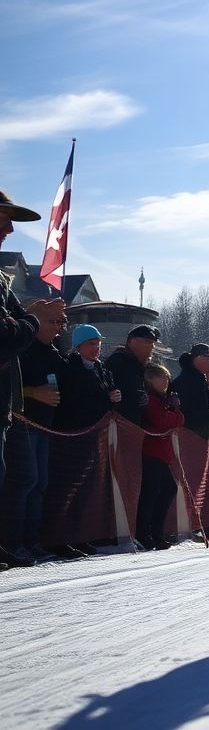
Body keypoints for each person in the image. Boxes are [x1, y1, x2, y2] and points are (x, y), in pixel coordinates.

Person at [0, 189, 66, 572]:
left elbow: (17, 327)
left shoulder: (2, 281)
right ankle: (13, 542)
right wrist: (29, 320)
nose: (9, 229)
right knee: (21, 479)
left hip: (10, 410)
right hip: (23, 417)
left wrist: (27, 319)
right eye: (3, 219)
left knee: (26, 480)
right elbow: (8, 337)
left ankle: (20, 543)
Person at [2, 300, 68, 565]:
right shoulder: (23, 347)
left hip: (43, 426)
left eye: (61, 322)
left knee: (39, 483)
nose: (58, 327)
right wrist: (32, 392)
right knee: (23, 480)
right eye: (52, 321)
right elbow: (13, 382)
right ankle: (13, 543)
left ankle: (30, 541)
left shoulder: (53, 351)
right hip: (22, 423)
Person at [136, 363, 185, 550]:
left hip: (161, 453)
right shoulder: (150, 399)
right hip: (150, 451)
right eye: (161, 378)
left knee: (168, 489)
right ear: (150, 379)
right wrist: (174, 411)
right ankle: (144, 533)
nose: (165, 381)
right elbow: (161, 420)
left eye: (166, 378)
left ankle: (156, 533)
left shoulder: (163, 400)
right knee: (152, 492)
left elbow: (179, 421)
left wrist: (174, 410)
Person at [60, 325, 121, 430]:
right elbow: (72, 402)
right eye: (92, 343)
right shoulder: (67, 369)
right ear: (78, 346)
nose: (97, 347)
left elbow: (111, 397)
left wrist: (116, 397)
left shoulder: (103, 370)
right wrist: (107, 399)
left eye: (99, 343)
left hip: (99, 428)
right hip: (76, 430)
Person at [105, 325, 160, 427]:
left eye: (153, 343)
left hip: (135, 424)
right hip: (118, 424)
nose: (151, 346)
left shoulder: (142, 366)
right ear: (132, 341)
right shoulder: (117, 361)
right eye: (147, 341)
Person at [170, 344, 209, 439]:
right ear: (197, 358)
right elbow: (196, 418)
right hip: (190, 440)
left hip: (197, 439)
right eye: (208, 357)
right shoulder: (188, 382)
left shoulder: (198, 380)